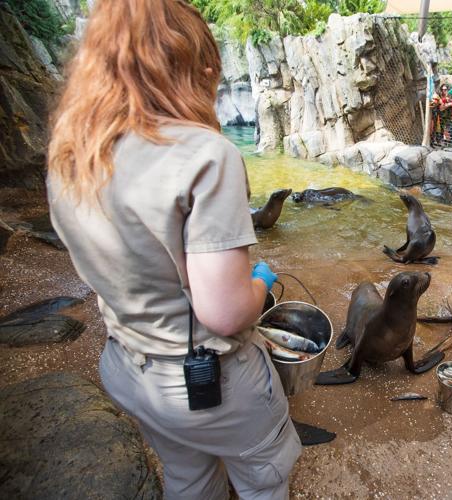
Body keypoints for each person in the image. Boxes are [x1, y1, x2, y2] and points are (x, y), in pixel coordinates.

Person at [46, 1, 301, 498]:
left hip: (127, 366)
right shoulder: (207, 155)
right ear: (195, 67)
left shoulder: (71, 154)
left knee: (187, 477)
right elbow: (225, 314)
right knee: (264, 478)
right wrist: (261, 283)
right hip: (206, 383)